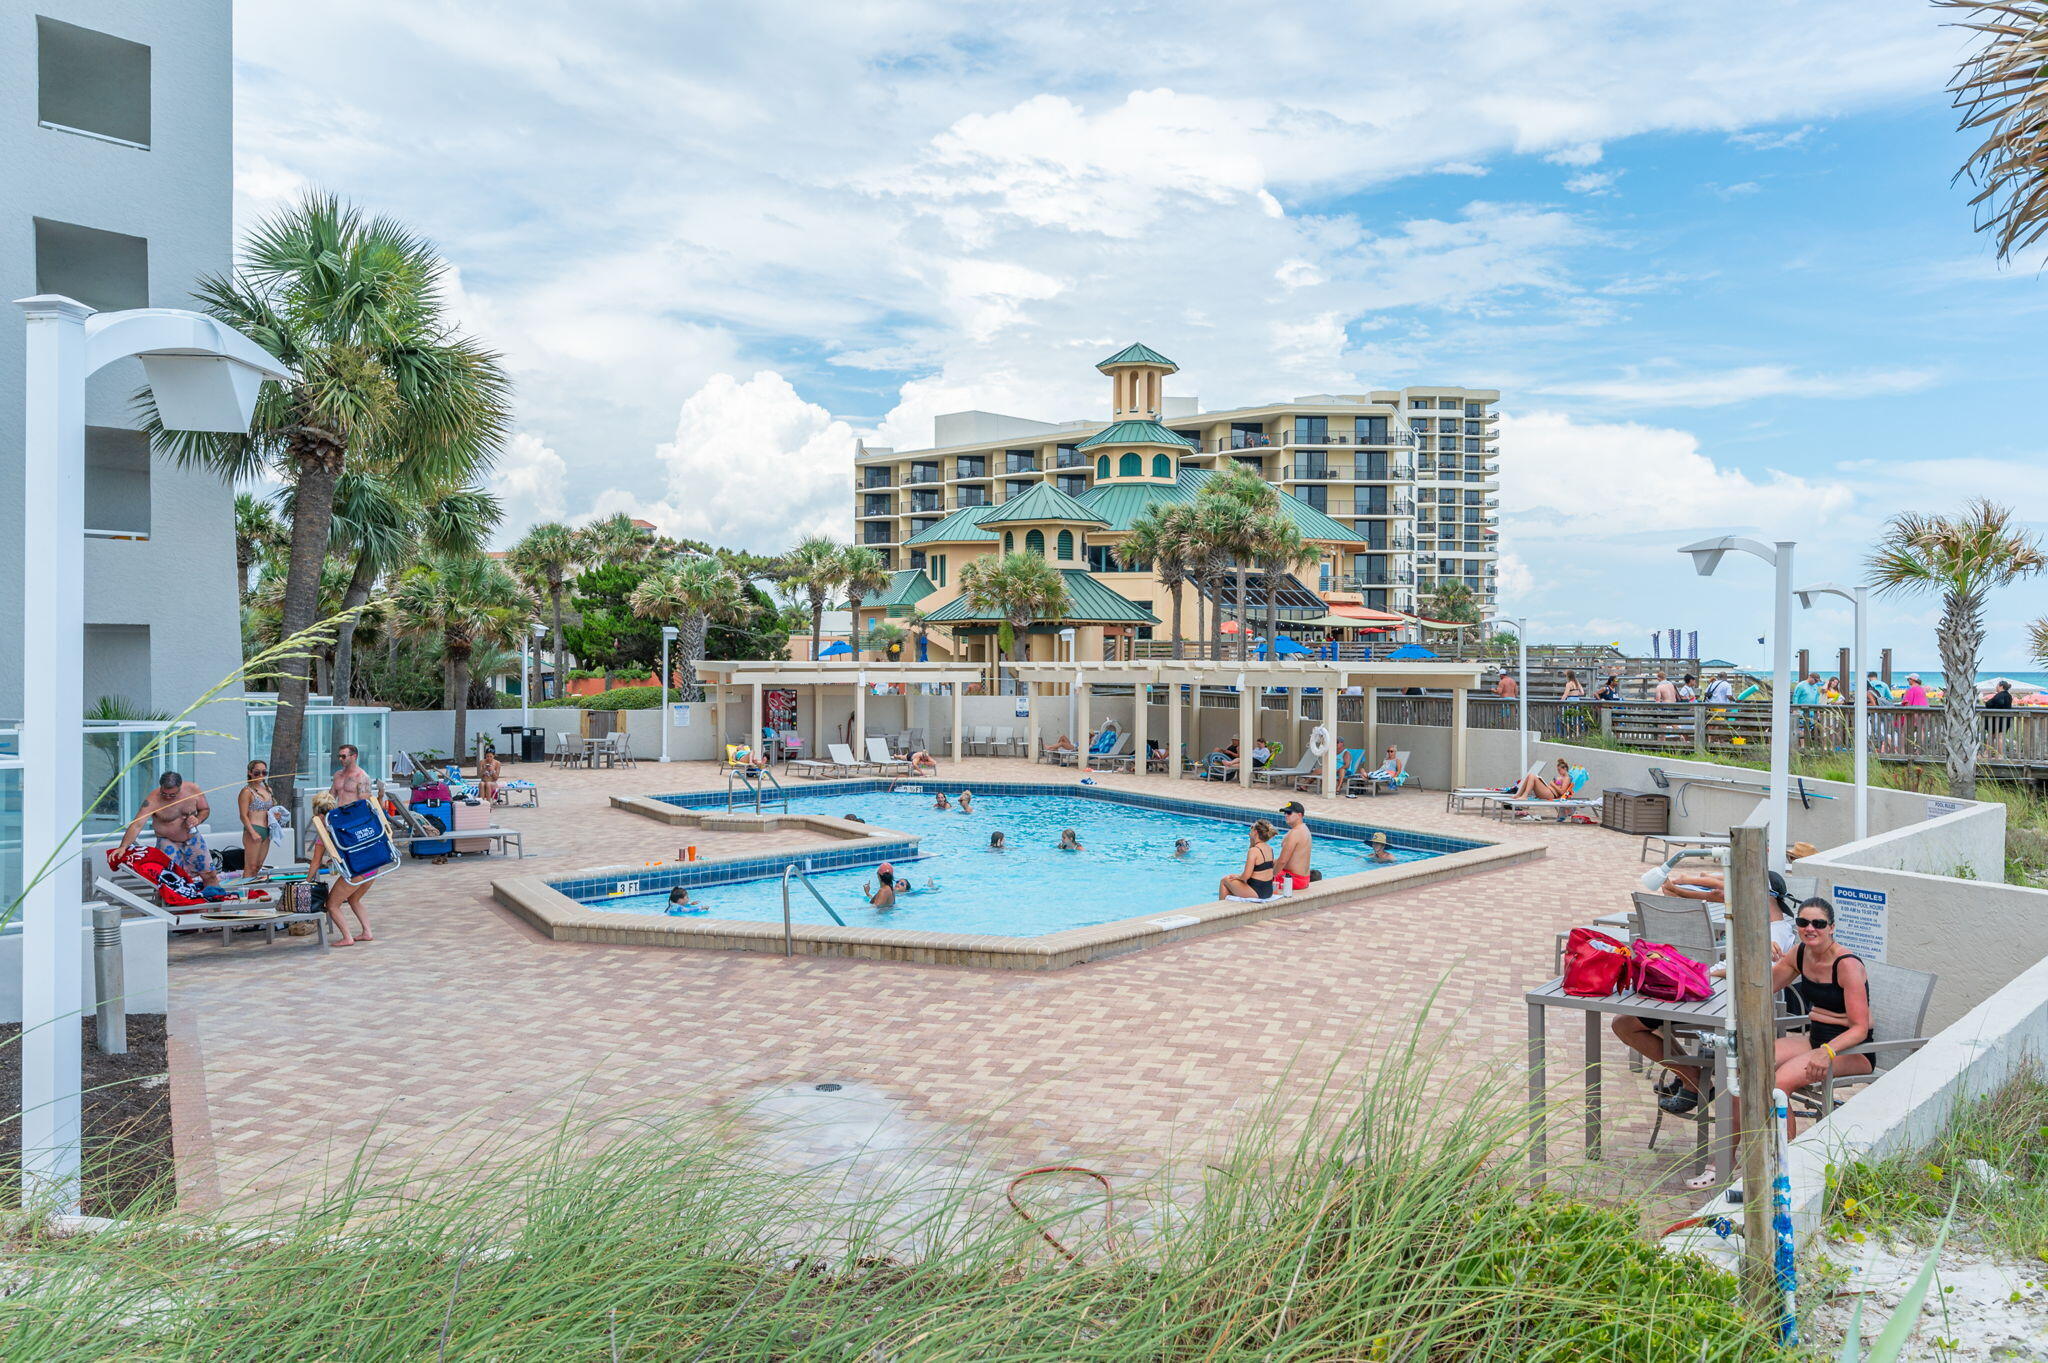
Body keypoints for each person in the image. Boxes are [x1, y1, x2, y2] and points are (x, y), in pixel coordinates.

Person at [1765, 897, 1874, 1127]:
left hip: (1852, 1050)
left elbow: (1860, 1028)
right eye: (1803, 922)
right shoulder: (1800, 953)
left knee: (1778, 1084)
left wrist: (1827, 1052)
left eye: (1819, 924)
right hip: (1815, 1039)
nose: (1810, 928)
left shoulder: (1847, 965)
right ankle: (1730, 1158)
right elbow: (1765, 986)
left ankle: (1786, 1161)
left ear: (1832, 927)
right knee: (1749, 1068)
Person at [121, 771, 218, 886]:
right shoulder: (153, 800)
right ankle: (167, 902)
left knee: (210, 875)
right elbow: (137, 825)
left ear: (180, 787)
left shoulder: (193, 789)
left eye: (172, 795)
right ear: (160, 786)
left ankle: (214, 898)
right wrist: (123, 847)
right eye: (164, 793)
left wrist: (198, 820)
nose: (167, 797)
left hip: (192, 837)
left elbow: (205, 810)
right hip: (167, 841)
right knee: (169, 879)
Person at [307, 791, 375, 946]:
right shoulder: (346, 821)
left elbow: (316, 862)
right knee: (354, 899)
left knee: (331, 904)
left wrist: (307, 880)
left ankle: (347, 937)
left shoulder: (324, 832)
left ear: (316, 812)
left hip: (356, 871)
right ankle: (367, 932)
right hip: (371, 867)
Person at [235, 760, 276, 880]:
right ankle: (246, 894)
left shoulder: (268, 790)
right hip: (254, 828)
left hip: (266, 830)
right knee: (250, 866)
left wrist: (276, 816)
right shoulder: (246, 791)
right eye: (257, 773)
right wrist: (252, 832)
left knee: (258, 866)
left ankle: (252, 892)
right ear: (250, 773)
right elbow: (243, 815)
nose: (261, 776)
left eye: (264, 772)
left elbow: (271, 811)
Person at [1218, 819, 1279, 900]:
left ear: (1256, 832)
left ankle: (1223, 909)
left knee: (1225, 880)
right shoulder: (1269, 849)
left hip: (1256, 892)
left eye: (1252, 828)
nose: (1250, 830)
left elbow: (1246, 876)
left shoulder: (1254, 851)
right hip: (1268, 891)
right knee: (1234, 885)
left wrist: (1238, 877)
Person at [1274, 801, 1314, 890]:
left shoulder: (1295, 833)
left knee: (1256, 879)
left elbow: (1282, 861)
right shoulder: (1305, 829)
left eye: (1289, 813)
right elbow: (1293, 858)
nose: (1286, 815)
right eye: (1285, 813)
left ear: (1299, 815)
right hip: (1303, 879)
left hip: (1292, 880)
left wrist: (1271, 876)